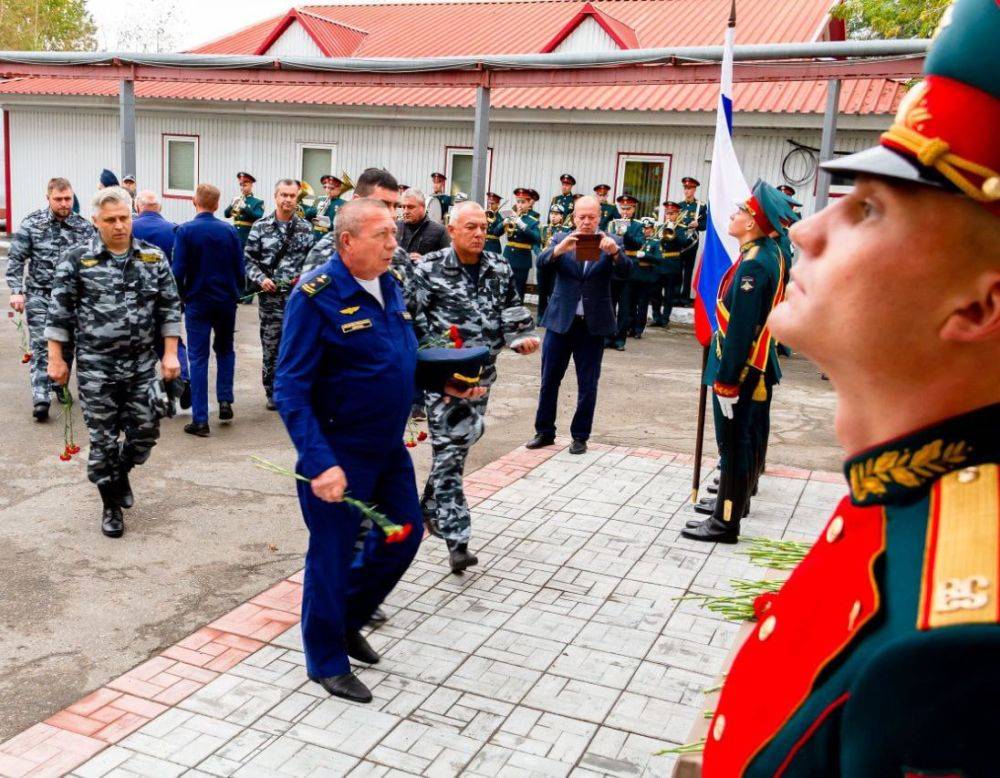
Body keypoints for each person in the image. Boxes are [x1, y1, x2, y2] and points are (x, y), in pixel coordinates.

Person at [701, 0, 1000, 773]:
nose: (806, 229)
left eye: (868, 209)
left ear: (980, 305)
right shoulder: (907, 492)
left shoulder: (960, 650)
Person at [274, 199, 475, 702]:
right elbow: (290, 388)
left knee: (405, 534)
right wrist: (319, 462)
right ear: (348, 243)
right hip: (338, 450)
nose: (393, 243)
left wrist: (444, 382)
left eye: (393, 233)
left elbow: (397, 356)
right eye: (382, 235)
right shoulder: (315, 295)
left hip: (387, 448)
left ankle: (347, 619)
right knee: (332, 556)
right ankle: (325, 660)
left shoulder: (389, 283)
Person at [45, 187, 182, 538]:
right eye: (111, 220)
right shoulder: (77, 259)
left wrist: (169, 354)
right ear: (96, 221)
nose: (120, 226)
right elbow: (58, 314)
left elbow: (169, 306)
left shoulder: (152, 257)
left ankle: (120, 474)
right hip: (96, 367)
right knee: (103, 441)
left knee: (146, 434)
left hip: (141, 366)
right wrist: (56, 360)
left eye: (124, 218)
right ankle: (110, 505)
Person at [412, 201, 540, 572]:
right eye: (470, 227)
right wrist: (434, 365)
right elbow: (415, 323)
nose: (480, 233)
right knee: (451, 457)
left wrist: (520, 339)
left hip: (482, 378)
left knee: (460, 447)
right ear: (451, 230)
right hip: (444, 381)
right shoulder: (431, 269)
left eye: (483, 227)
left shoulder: (498, 265)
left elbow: (511, 309)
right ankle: (457, 541)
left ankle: (428, 504)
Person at [682, 180, 793, 543]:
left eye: (741, 211)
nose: (733, 215)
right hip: (747, 366)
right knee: (738, 444)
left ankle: (725, 521)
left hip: (740, 368)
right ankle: (729, 509)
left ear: (752, 222)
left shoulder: (754, 266)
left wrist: (728, 378)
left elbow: (742, 329)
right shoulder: (759, 254)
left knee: (732, 446)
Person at [526, 196, 630, 455]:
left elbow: (628, 272)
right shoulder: (560, 238)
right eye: (581, 217)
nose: (586, 222)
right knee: (549, 380)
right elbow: (541, 264)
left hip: (592, 325)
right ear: (574, 218)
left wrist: (614, 253)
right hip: (561, 322)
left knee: (588, 384)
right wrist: (558, 250)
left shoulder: (612, 241)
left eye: (591, 217)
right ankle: (544, 432)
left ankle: (580, 436)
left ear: (599, 218)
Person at [6, 177, 95, 420]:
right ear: (49, 198)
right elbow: (15, 259)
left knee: (68, 346)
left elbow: (93, 263)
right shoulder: (32, 224)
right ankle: (41, 397)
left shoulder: (84, 227)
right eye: (59, 199)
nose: (64, 204)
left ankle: (59, 384)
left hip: (72, 299)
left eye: (68, 198)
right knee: (41, 345)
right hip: (40, 295)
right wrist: (16, 290)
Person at [171, 184, 245, 436]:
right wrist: (238, 292)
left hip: (198, 301)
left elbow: (178, 270)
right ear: (216, 204)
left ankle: (200, 420)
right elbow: (239, 267)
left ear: (195, 202)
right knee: (225, 350)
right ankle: (225, 401)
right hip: (225, 300)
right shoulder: (229, 230)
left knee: (198, 357)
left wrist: (179, 297)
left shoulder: (185, 231)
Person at [244, 179, 316, 411]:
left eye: (292, 196)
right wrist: (260, 279)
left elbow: (313, 263)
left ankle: (295, 388)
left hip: (298, 299)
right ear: (275, 196)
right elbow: (248, 260)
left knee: (298, 345)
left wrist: (304, 281)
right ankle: (272, 391)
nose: (287, 200)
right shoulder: (260, 227)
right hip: (271, 298)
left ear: (297, 198)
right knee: (272, 346)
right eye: (283, 195)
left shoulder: (305, 228)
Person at [133, 190, 192, 404]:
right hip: (169, 295)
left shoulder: (128, 227)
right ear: (160, 208)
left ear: (137, 207)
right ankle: (183, 379)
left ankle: (141, 394)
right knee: (171, 339)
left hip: (134, 298)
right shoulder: (175, 230)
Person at [607, 193, 644, 350]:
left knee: (625, 307)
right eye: (623, 208)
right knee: (609, 305)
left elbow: (638, 244)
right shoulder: (611, 224)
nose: (625, 212)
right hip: (613, 268)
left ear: (634, 209)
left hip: (628, 269)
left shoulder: (637, 225)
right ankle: (608, 337)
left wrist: (626, 232)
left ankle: (620, 339)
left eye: (628, 209)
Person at [225, 172, 265, 305]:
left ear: (251, 185)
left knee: (248, 266)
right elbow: (226, 214)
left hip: (248, 237)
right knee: (236, 265)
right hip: (236, 238)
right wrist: (233, 204)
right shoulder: (237, 199)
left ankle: (248, 295)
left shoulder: (257, 202)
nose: (243, 187)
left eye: (245, 184)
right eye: (241, 185)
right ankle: (237, 292)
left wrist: (245, 207)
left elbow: (257, 216)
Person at [650, 200, 686, 327]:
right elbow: (654, 242)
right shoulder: (660, 227)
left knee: (669, 294)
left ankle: (665, 319)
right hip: (658, 264)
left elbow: (684, 243)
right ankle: (656, 317)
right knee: (655, 293)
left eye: (672, 213)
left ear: (677, 214)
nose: (669, 216)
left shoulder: (682, 229)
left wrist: (673, 232)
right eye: (667, 213)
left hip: (672, 264)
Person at [502, 187, 541, 301]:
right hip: (508, 256)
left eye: (523, 202)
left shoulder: (533, 221)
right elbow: (496, 232)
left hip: (522, 259)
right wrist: (503, 222)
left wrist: (522, 224)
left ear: (529, 203)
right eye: (518, 201)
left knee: (519, 290)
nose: (519, 205)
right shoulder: (510, 216)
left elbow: (537, 238)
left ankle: (518, 316)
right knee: (505, 288)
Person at [626, 217, 661, 339]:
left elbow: (659, 258)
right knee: (630, 303)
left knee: (642, 304)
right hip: (633, 275)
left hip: (646, 276)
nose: (646, 230)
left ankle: (638, 329)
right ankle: (630, 327)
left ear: (652, 229)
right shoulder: (636, 240)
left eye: (649, 228)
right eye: (644, 228)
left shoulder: (655, 242)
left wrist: (646, 255)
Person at [677, 176, 707, 305]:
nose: (687, 191)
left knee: (688, 270)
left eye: (689, 188)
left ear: (694, 189)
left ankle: (684, 297)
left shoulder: (700, 206)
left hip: (692, 242)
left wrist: (697, 225)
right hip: (679, 241)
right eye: (685, 188)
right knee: (677, 269)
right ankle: (675, 297)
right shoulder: (679, 206)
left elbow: (705, 225)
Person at [396, 189, 451, 258]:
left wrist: (425, 260)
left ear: (423, 207)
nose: (405, 211)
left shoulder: (440, 231)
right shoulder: (395, 227)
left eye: (410, 207)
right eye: (403, 207)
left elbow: (449, 260)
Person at [304, 173, 347, 243]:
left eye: (331, 188)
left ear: (339, 189)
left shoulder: (343, 204)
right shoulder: (319, 200)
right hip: (315, 238)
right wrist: (316, 209)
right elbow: (307, 217)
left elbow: (344, 227)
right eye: (325, 187)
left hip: (331, 241)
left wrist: (328, 224)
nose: (328, 190)